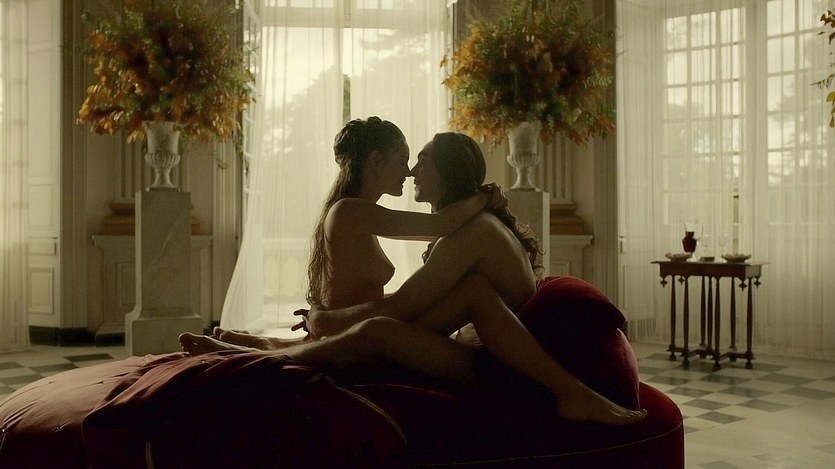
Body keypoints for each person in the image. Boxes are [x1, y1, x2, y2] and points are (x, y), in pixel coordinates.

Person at [180, 131, 646, 425]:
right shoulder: (465, 229)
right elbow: (421, 309)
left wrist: (330, 321)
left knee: (382, 330)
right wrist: (340, 325)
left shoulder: (475, 231)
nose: (413, 171)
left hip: (502, 368)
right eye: (408, 161)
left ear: (447, 172)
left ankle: (261, 355)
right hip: (486, 352)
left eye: (422, 161)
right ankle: (265, 347)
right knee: (388, 328)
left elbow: (403, 307)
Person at [210, 116, 499, 350]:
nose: (409, 172)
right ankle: (265, 346)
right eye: (402, 161)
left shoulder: (358, 213)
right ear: (376, 160)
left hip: (349, 332)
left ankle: (266, 344)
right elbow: (440, 225)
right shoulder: (350, 211)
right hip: (350, 339)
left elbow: (440, 231)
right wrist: (485, 196)